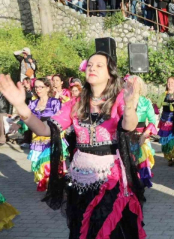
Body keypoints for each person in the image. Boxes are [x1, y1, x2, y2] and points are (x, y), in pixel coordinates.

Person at [0, 51, 146, 238]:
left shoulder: (118, 100)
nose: (92, 67)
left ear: (110, 73)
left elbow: (129, 125)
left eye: (99, 65)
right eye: (90, 65)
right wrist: (21, 106)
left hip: (110, 178)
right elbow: (44, 130)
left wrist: (130, 106)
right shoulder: (75, 104)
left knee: (105, 228)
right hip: (79, 179)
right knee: (81, 229)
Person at [25, 78, 66, 192]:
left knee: (50, 164)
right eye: (36, 87)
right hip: (37, 140)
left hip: (52, 138)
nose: (38, 89)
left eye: (41, 87)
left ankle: (53, 186)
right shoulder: (32, 103)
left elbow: (60, 119)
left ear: (48, 88)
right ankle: (46, 185)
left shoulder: (54, 102)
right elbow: (26, 118)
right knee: (38, 164)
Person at [126, 76, 157, 188]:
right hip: (126, 136)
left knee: (142, 164)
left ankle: (140, 189)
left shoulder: (146, 102)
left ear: (139, 86)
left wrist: (145, 134)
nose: (131, 86)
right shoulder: (122, 101)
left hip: (141, 136)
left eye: (134, 84)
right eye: (128, 84)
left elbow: (153, 120)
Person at [157, 76, 174, 166]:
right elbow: (158, 104)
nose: (170, 84)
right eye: (169, 82)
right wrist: (165, 103)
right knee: (166, 138)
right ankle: (169, 157)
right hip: (165, 119)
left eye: (172, 82)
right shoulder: (164, 94)